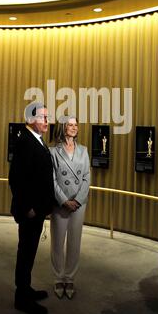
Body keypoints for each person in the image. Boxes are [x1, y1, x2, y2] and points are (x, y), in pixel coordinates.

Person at [9, 102, 56, 314]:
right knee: (26, 253)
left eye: (48, 117)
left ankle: (26, 289)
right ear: (30, 120)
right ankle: (22, 298)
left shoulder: (36, 139)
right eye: (43, 117)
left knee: (30, 252)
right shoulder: (25, 142)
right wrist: (28, 208)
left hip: (37, 210)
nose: (48, 121)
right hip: (30, 211)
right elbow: (17, 179)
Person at [49, 116, 90, 299]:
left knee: (75, 242)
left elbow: (86, 177)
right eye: (70, 125)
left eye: (76, 125)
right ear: (63, 128)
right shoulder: (53, 151)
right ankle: (58, 277)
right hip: (60, 203)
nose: (74, 128)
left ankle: (70, 278)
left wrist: (78, 200)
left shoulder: (84, 150)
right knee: (57, 242)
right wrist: (64, 200)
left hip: (78, 204)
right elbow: (52, 179)